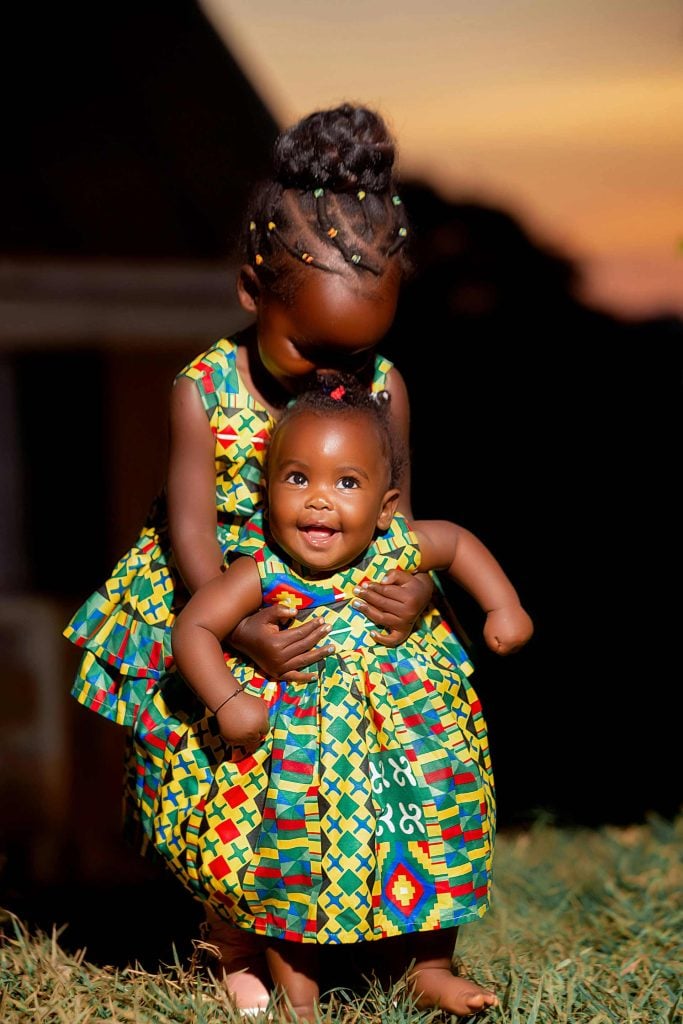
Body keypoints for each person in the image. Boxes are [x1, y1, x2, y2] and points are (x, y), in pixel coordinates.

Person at [62, 103, 465, 1009]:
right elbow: (190, 526)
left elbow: (400, 512)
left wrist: (420, 590)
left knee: (394, 771)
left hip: (344, 604)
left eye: (355, 353)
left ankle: (394, 942)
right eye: (307, 347)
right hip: (222, 601)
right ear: (252, 291)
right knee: (215, 782)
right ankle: (235, 940)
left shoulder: (384, 387)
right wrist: (238, 624)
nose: (333, 377)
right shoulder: (203, 390)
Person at [168, 376, 533, 1021]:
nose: (318, 502)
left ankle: (427, 969)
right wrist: (228, 701)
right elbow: (193, 627)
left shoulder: (400, 545)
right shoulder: (260, 571)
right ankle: (297, 994)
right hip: (294, 762)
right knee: (288, 862)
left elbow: (457, 540)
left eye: (346, 484)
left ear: (387, 506)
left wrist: (504, 605)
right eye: (297, 478)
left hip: (405, 755)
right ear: (266, 491)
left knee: (430, 836)